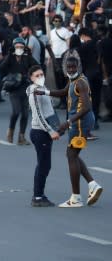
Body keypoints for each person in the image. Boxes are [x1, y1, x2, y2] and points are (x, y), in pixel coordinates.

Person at [39, 54, 103, 207]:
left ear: (78, 67)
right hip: (79, 122)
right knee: (73, 154)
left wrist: (67, 122)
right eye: (69, 67)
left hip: (80, 123)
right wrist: (46, 92)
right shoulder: (74, 79)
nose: (71, 69)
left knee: (71, 155)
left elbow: (87, 107)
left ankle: (76, 198)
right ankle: (92, 184)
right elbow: (64, 92)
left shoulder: (81, 83)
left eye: (74, 67)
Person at [26, 65, 61, 207]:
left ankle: (39, 194)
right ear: (31, 78)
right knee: (43, 165)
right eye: (37, 75)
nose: (40, 77)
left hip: (45, 131)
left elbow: (50, 109)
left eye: (41, 74)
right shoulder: (34, 92)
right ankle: (37, 197)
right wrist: (50, 130)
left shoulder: (42, 89)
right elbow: (38, 115)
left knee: (45, 165)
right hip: (40, 132)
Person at [0, 37, 35, 144]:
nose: (19, 48)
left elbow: (37, 66)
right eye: (17, 47)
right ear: (14, 47)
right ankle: (10, 132)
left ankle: (21, 137)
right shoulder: (10, 57)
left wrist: (29, 54)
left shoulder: (27, 57)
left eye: (21, 47)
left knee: (25, 114)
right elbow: (2, 68)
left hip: (25, 87)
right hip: (14, 88)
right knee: (16, 111)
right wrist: (10, 55)